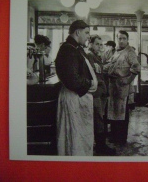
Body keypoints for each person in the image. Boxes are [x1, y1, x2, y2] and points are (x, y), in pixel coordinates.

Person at [55, 20, 98, 156]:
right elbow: (73, 81)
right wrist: (90, 84)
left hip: (77, 97)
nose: (88, 37)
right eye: (86, 33)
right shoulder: (68, 50)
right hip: (73, 97)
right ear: (77, 32)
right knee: (74, 137)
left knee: (79, 137)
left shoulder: (74, 48)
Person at [103, 30, 140, 145]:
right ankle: (114, 136)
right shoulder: (117, 51)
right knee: (113, 113)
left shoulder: (130, 51)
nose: (122, 40)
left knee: (122, 114)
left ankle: (121, 139)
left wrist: (128, 80)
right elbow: (111, 64)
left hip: (122, 87)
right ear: (117, 39)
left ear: (127, 39)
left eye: (124, 38)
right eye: (119, 38)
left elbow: (136, 68)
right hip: (113, 86)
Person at [86, 35, 116, 156]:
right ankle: (100, 147)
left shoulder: (96, 56)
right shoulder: (89, 56)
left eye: (100, 44)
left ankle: (101, 145)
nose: (99, 47)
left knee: (101, 119)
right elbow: (94, 74)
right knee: (98, 120)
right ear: (91, 44)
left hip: (100, 92)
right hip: (95, 93)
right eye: (97, 44)